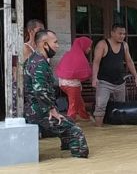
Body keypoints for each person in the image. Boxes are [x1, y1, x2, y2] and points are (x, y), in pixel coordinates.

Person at [23, 29, 89, 158]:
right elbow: (39, 90)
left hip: (35, 110)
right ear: (44, 44)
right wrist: (51, 109)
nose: (57, 46)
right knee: (76, 131)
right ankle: (80, 161)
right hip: (40, 113)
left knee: (68, 122)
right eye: (55, 42)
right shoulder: (40, 63)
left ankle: (65, 157)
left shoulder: (33, 59)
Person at [92, 23, 137, 127]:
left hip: (120, 83)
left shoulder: (125, 45)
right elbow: (96, 62)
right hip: (104, 82)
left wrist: (135, 76)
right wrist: (94, 78)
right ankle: (98, 130)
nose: (122, 36)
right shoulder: (102, 44)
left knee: (121, 108)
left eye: (124, 34)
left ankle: (119, 132)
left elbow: (129, 61)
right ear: (112, 33)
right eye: (119, 33)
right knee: (100, 107)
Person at [55, 37, 93, 121]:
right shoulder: (80, 57)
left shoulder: (68, 54)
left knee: (79, 102)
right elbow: (86, 72)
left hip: (62, 83)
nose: (90, 49)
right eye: (88, 46)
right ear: (83, 46)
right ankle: (70, 123)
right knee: (73, 105)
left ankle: (85, 116)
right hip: (73, 85)